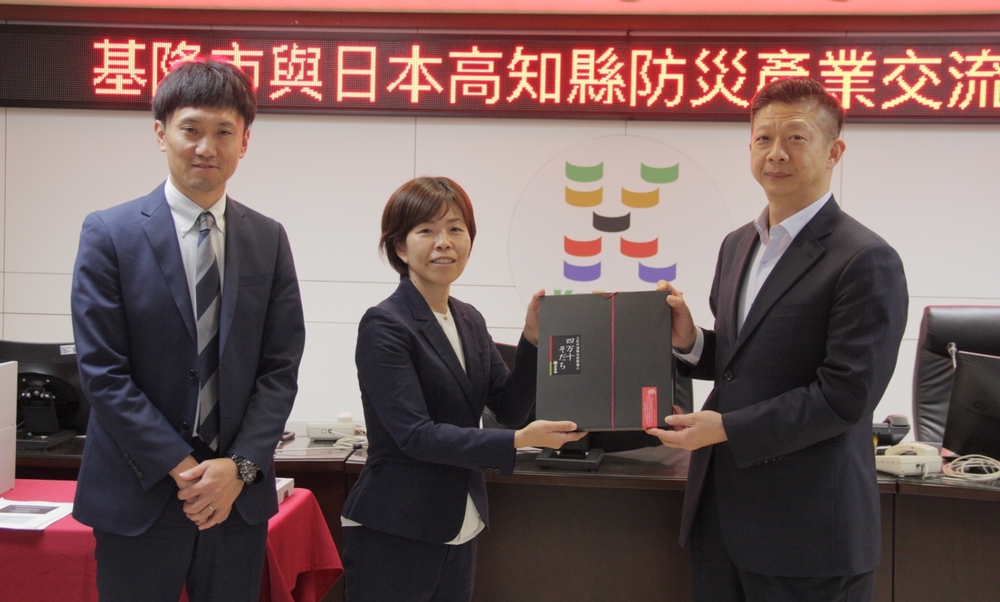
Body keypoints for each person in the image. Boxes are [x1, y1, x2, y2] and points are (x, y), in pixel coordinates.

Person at [647, 77, 908, 601]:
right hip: (722, 522)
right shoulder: (738, 245)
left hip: (809, 535)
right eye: (763, 139)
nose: (776, 153)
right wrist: (692, 341)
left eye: (796, 138)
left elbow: (845, 397)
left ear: (834, 152)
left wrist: (727, 428)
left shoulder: (865, 258)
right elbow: (745, 362)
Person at [70, 58, 305, 602]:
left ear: (244, 141)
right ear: (161, 133)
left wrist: (237, 469)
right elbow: (102, 371)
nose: (207, 147)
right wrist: (182, 467)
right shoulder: (109, 233)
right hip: (139, 493)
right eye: (191, 129)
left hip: (234, 501)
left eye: (224, 132)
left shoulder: (268, 238)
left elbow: (280, 368)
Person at [341, 177, 585, 601]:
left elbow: (507, 407)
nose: (444, 243)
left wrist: (531, 340)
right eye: (426, 230)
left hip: (462, 523)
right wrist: (518, 441)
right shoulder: (385, 324)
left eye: (456, 229)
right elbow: (416, 436)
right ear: (400, 248)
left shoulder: (468, 319)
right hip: (397, 528)